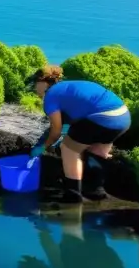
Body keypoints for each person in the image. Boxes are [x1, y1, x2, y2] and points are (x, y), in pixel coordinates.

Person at [28, 65, 131, 202]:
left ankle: (73, 195)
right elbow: (66, 125)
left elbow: (56, 131)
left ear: (43, 82)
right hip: (122, 117)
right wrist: (50, 142)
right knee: (96, 151)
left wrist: (43, 147)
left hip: (102, 117)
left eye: (35, 84)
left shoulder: (51, 96)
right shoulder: (67, 88)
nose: (34, 89)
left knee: (68, 149)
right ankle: (96, 191)